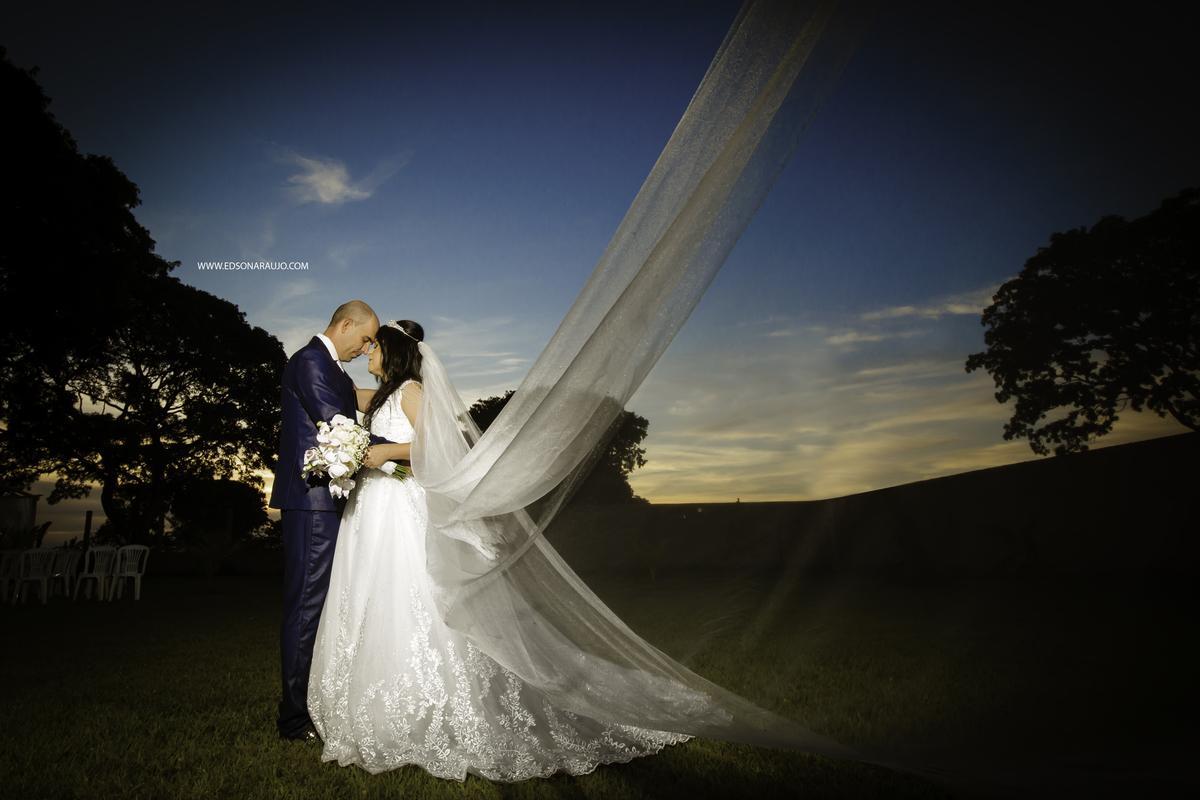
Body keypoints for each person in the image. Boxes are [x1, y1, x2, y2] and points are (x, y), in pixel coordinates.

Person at [308, 320, 690, 780]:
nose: (368, 351)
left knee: (411, 590)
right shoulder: (388, 393)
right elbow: (349, 397)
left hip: (398, 507)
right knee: (370, 590)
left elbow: (436, 444)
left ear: (391, 352)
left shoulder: (411, 390)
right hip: (371, 507)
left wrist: (387, 450)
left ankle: (435, 707)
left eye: (373, 347)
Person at [270, 300, 393, 741]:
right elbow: (339, 425)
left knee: (322, 606)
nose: (365, 349)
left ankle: (315, 704)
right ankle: (294, 720)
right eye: (363, 339)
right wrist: (401, 452)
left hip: (328, 501)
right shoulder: (309, 361)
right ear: (345, 324)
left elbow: (359, 401)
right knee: (306, 606)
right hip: (312, 502)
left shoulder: (333, 368)